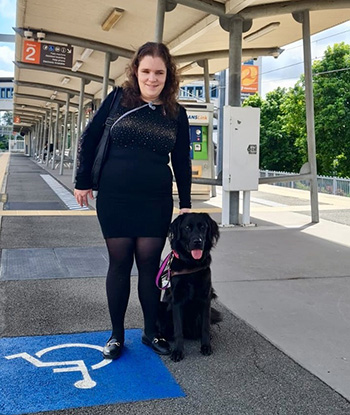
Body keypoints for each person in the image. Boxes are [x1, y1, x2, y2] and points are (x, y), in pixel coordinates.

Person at [74, 42, 192, 360]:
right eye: (146, 71)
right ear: (135, 71)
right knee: (120, 265)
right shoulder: (117, 100)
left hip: (155, 199)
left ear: (168, 76)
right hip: (115, 197)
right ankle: (116, 335)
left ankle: (150, 332)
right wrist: (81, 181)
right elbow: (90, 137)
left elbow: (182, 159)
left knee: (150, 266)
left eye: (159, 73)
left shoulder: (176, 113)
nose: (152, 79)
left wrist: (185, 202)